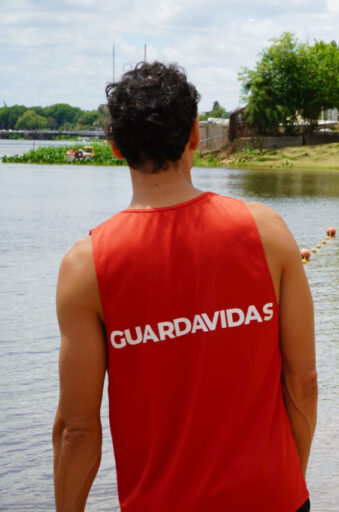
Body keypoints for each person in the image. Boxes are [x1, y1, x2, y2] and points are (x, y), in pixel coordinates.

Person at [52, 62, 317, 512]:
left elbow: (77, 430)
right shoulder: (267, 231)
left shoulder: (86, 267)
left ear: (115, 146)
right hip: (276, 498)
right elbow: (303, 382)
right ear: (195, 135)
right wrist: (288, 482)